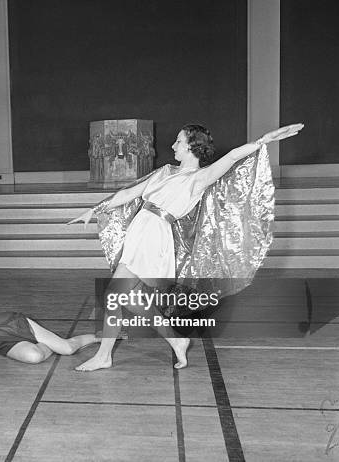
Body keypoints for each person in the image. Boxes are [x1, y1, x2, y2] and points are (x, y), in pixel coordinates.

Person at [68, 123, 304, 372]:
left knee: (114, 295)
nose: (173, 145)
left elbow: (233, 156)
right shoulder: (165, 170)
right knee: (131, 300)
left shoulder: (199, 178)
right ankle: (176, 339)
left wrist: (262, 141)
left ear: (192, 145)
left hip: (154, 237)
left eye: (178, 141)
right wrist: (93, 210)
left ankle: (105, 356)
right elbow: (130, 193)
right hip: (140, 232)